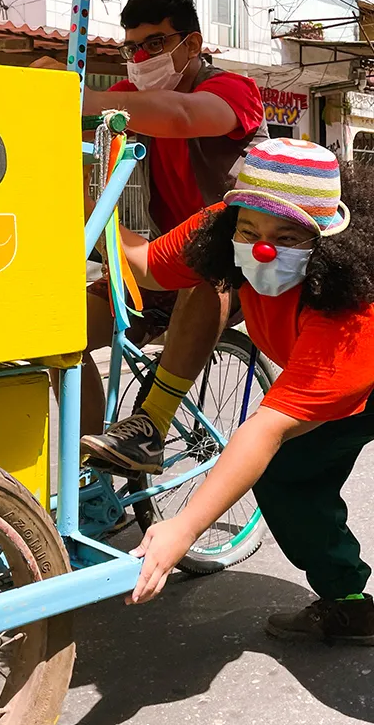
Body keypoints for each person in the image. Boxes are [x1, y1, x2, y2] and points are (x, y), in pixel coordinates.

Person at [85, 137, 374, 644]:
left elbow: (264, 428)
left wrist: (184, 529)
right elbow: (149, 263)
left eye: (288, 236)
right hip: (328, 380)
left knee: (274, 452)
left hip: (358, 368)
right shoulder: (223, 227)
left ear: (328, 242)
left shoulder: (352, 316)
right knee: (286, 477)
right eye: (251, 230)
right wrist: (78, 203)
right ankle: (350, 603)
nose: (262, 248)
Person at [38, 0, 267, 471]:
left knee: (207, 278)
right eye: (131, 48)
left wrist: (80, 96)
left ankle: (152, 425)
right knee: (58, 332)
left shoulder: (233, 90)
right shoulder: (133, 97)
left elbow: (182, 117)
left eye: (154, 44)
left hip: (241, 260)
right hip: (167, 258)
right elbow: (77, 119)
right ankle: (91, 472)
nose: (140, 58)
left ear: (192, 44)